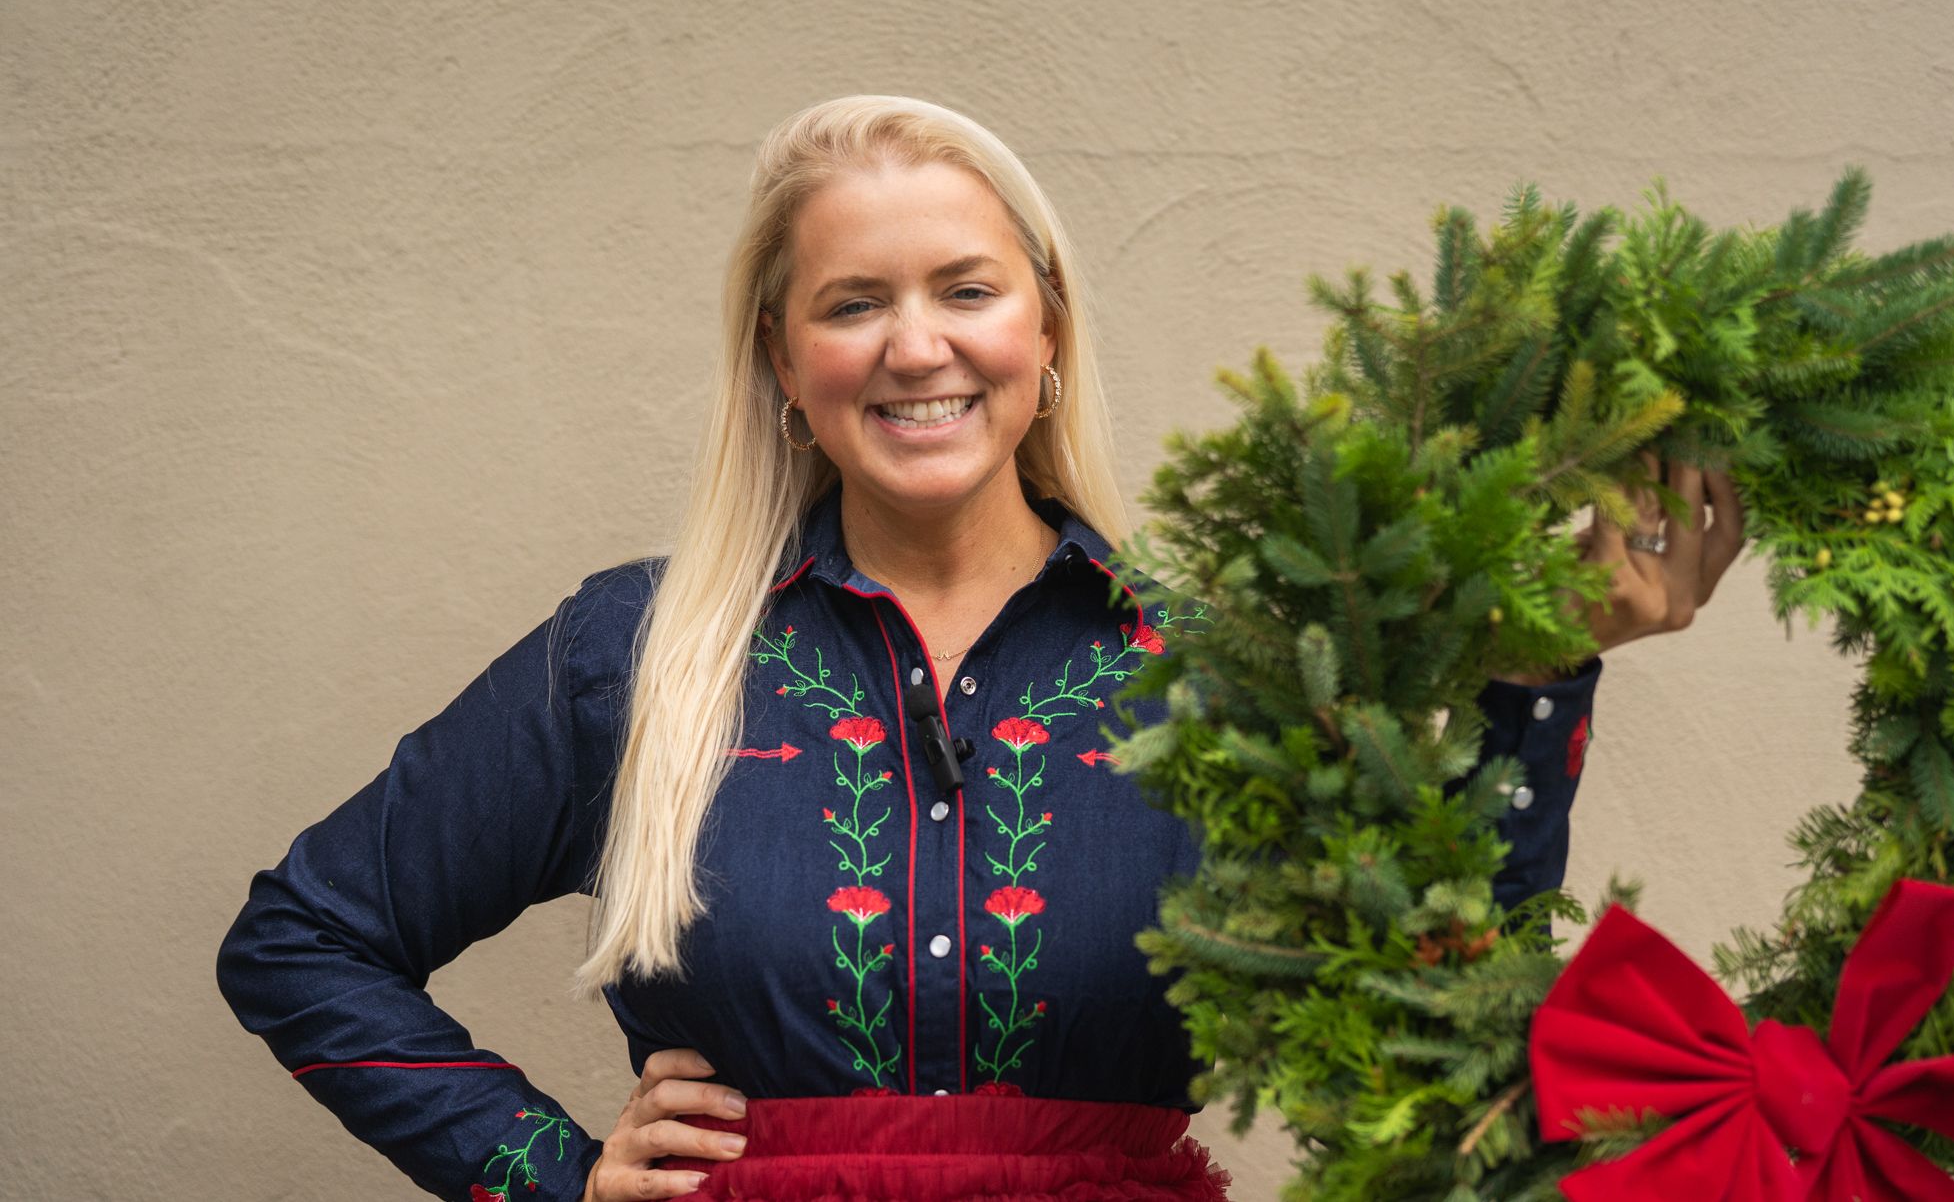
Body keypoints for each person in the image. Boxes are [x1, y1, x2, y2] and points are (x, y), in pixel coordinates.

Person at [215, 95, 1747, 1202]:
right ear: (780, 359)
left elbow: (1446, 995)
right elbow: (302, 937)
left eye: (967, 288)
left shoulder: (1223, 659)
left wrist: (1542, 665)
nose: (916, 344)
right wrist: (542, 1170)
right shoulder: (637, 653)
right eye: (852, 302)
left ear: (1048, 324)